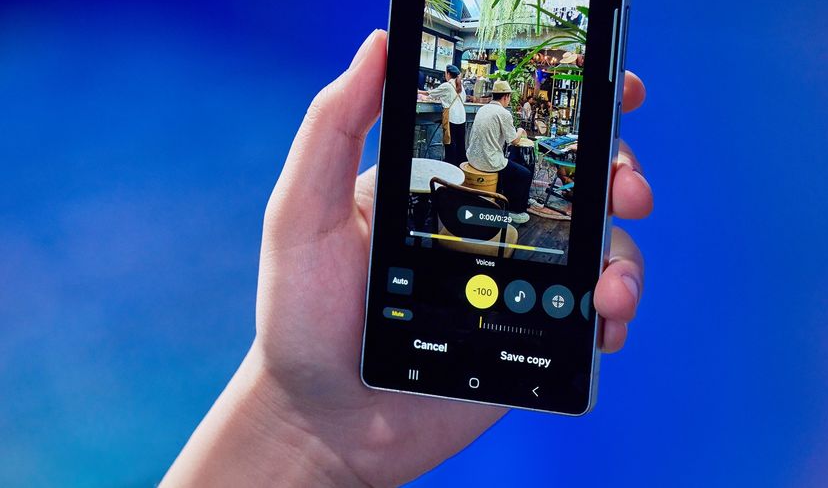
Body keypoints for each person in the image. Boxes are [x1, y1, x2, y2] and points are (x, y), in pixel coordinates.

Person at [160, 31, 653, 487]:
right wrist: (300, 417)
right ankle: (515, 215)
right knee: (522, 174)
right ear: (507, 97)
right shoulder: (498, 112)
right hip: (491, 172)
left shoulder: (476, 108)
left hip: (466, 170)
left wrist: (301, 423)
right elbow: (512, 143)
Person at [466, 79, 534, 223]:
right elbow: (513, 141)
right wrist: (520, 130)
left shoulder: (483, 108)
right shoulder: (504, 113)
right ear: (506, 96)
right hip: (488, 162)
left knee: (511, 166)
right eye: (509, 97)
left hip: (472, 157)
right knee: (525, 174)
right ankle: (515, 211)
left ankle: (504, 198)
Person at [418, 64, 466, 166]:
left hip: (452, 117)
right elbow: (463, 99)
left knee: (450, 143)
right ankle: (460, 167)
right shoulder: (461, 86)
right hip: (462, 118)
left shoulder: (447, 85)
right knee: (460, 144)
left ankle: (450, 166)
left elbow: (430, 93)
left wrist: (418, 92)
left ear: (448, 74)